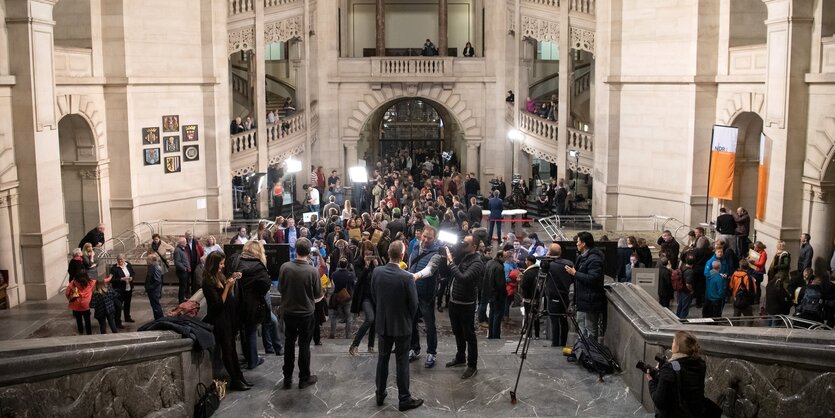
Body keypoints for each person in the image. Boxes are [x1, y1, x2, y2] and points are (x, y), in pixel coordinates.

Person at [371, 240, 422, 411]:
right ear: (402, 256)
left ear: (387, 254)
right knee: (402, 362)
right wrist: (407, 318)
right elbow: (414, 305)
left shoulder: (377, 272)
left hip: (383, 324)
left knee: (382, 359)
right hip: (402, 325)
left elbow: (374, 295)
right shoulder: (407, 277)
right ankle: (404, 399)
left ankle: (380, 393)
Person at [202, 251, 251, 391]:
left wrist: (232, 279)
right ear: (213, 264)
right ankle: (235, 380)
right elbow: (217, 304)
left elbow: (227, 293)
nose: (222, 266)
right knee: (227, 350)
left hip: (228, 316)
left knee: (233, 349)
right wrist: (228, 286)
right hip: (219, 319)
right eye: (221, 263)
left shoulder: (219, 275)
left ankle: (240, 377)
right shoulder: (207, 281)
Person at [278, 237, 322, 390]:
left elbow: (280, 289)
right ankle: (304, 378)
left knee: (289, 344)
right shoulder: (312, 271)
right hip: (306, 314)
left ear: (295, 250)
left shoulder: (285, 267)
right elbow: (318, 295)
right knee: (304, 345)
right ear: (309, 252)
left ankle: (287, 379)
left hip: (289, 312)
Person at [444, 235, 485, 379]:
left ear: (474, 247)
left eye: (465, 244)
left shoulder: (477, 263)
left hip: (466, 304)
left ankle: (472, 365)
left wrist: (451, 262)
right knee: (457, 332)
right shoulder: (464, 256)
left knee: (469, 335)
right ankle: (460, 357)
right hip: (454, 301)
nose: (462, 245)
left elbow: (464, 278)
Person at [228, 241, 272, 371]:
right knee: (251, 331)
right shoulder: (258, 266)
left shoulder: (235, 259)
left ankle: (247, 356)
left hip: (234, 301)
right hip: (251, 302)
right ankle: (253, 360)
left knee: (242, 330)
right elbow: (265, 284)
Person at [647, 331, 708, 418]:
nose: (671, 344)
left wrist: (651, 381)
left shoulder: (669, 368)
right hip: (695, 413)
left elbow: (659, 401)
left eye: (673, 341)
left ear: (677, 347)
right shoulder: (701, 364)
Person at [408, 227, 444, 368]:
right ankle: (414, 348)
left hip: (426, 294)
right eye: (424, 236)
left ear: (434, 238)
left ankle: (431, 352)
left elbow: (429, 270)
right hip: (413, 291)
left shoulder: (437, 253)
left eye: (429, 237)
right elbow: (411, 264)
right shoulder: (416, 246)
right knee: (412, 322)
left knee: (429, 325)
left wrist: (415, 276)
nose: (426, 239)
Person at [564, 232, 606, 343]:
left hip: (591, 301)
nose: (576, 244)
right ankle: (583, 353)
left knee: (590, 330)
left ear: (584, 243)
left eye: (578, 241)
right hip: (582, 301)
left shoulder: (594, 259)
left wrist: (575, 273)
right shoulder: (582, 257)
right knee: (581, 329)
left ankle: (592, 355)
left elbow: (593, 278)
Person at [349, 241, 378, 355]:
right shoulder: (357, 263)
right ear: (362, 252)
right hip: (364, 295)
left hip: (375, 295)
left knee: (375, 321)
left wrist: (377, 266)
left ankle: (370, 346)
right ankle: (354, 345)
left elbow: (380, 276)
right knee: (370, 318)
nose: (368, 256)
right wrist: (366, 267)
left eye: (370, 253)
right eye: (366, 253)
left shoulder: (375, 262)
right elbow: (359, 280)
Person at [545, 244, 574, 347]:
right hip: (565, 295)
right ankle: (563, 343)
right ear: (560, 252)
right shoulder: (569, 264)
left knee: (554, 320)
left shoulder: (549, 265)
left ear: (550, 253)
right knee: (563, 320)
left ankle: (555, 343)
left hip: (553, 296)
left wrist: (547, 257)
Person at [483, 250, 508, 339]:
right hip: (497, 295)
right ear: (500, 257)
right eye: (504, 257)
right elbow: (500, 284)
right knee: (497, 315)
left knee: (492, 314)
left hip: (490, 293)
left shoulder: (490, 263)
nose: (506, 259)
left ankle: (491, 334)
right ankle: (495, 335)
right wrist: (503, 294)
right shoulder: (499, 267)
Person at [329, 258, 355, 339]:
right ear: (347, 265)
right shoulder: (350, 275)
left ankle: (332, 333)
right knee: (349, 317)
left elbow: (332, 286)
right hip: (348, 298)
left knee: (333, 316)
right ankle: (348, 334)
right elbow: (353, 285)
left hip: (337, 298)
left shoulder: (334, 274)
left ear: (339, 265)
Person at [519, 255, 541, 339]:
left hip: (528, 297)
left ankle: (528, 334)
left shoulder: (528, 272)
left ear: (529, 262)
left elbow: (524, 286)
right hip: (537, 296)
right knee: (536, 315)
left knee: (528, 315)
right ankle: (537, 334)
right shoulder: (539, 270)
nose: (525, 262)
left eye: (526, 260)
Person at [109, 254, 135, 324]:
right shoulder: (114, 268)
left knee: (127, 303)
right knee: (119, 305)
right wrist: (121, 279)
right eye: (119, 259)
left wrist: (131, 277)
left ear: (124, 259)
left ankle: (127, 317)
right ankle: (118, 321)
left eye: (122, 259)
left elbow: (132, 273)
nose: (120, 261)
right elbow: (111, 280)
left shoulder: (128, 265)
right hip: (119, 290)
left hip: (128, 288)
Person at [145, 253, 164, 320]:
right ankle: (158, 318)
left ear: (151, 260)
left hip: (154, 291)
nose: (146, 261)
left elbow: (157, 281)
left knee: (156, 305)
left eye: (147, 260)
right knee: (154, 305)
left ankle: (159, 319)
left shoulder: (156, 268)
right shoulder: (152, 267)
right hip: (152, 290)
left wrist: (150, 287)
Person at [676, 254, 696, 319]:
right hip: (686, 291)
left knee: (680, 306)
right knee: (685, 307)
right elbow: (688, 284)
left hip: (680, 289)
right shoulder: (690, 272)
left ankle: (677, 317)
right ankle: (682, 320)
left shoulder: (683, 266)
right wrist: (691, 290)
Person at [173, 237, 192, 303]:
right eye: (185, 242)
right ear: (182, 243)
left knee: (184, 286)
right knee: (182, 286)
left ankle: (183, 298)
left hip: (185, 271)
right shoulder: (177, 250)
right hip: (182, 272)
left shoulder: (182, 249)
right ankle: (181, 300)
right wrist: (185, 268)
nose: (186, 243)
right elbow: (177, 262)